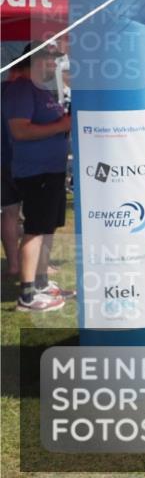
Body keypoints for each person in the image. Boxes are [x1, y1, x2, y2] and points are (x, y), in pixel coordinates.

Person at [3, 45, 74, 312]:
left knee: (47, 228)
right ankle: (28, 295)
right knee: (35, 229)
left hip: (51, 170)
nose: (55, 65)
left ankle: (42, 283)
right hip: (36, 172)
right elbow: (19, 131)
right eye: (51, 60)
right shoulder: (21, 88)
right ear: (35, 60)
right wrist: (62, 125)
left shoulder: (40, 89)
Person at [1, 58, 28, 281]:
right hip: (17, 160)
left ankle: (13, 265)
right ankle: (30, 262)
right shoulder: (19, 93)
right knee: (25, 214)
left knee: (9, 213)